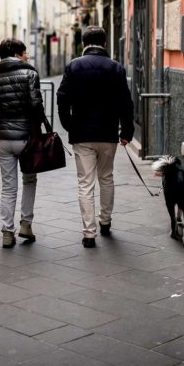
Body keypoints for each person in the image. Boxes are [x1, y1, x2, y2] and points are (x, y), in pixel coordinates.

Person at [57, 26, 134, 248]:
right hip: (108, 133)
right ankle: (106, 222)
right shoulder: (116, 68)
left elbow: (62, 99)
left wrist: (69, 125)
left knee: (85, 183)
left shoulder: (73, 66)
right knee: (106, 177)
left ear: (83, 43)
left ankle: (89, 233)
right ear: (105, 43)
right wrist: (126, 131)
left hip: (81, 133)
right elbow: (125, 103)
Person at [0, 38, 46, 248]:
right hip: (26, 137)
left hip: (2, 138)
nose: (27, 56)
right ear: (17, 54)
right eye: (25, 52)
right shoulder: (30, 74)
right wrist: (40, 131)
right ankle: (26, 225)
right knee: (29, 180)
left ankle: (7, 232)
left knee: (8, 187)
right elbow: (37, 106)